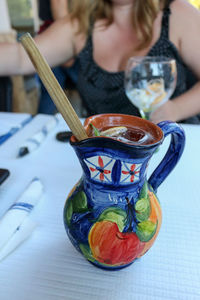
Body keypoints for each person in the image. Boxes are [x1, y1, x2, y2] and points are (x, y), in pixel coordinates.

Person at [0, 0, 200, 123]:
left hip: (172, 152)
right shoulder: (81, 23)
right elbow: (21, 57)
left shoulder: (177, 14)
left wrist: (175, 109)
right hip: (104, 159)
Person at [37, 0, 79, 114]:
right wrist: (68, 44)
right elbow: (59, 4)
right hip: (58, 39)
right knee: (51, 95)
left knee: (50, 95)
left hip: (61, 38)